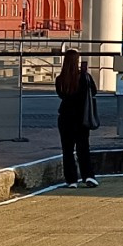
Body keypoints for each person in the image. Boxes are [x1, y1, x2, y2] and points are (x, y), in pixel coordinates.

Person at [53, 49, 99, 188]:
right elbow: (94, 92)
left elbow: (61, 95)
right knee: (83, 148)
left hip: (65, 117)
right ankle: (88, 176)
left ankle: (71, 180)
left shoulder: (60, 79)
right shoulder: (84, 77)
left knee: (67, 150)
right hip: (81, 117)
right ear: (77, 61)